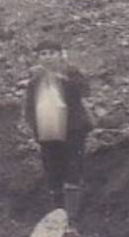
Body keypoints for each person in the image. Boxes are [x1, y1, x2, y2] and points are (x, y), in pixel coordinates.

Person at [23, 39, 90, 221]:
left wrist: (65, 78)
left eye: (52, 53)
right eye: (43, 54)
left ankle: (72, 217)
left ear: (60, 54)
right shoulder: (35, 81)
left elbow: (84, 91)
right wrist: (36, 129)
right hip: (48, 133)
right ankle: (58, 215)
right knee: (53, 172)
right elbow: (30, 108)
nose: (48, 58)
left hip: (73, 130)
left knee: (73, 170)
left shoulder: (71, 73)